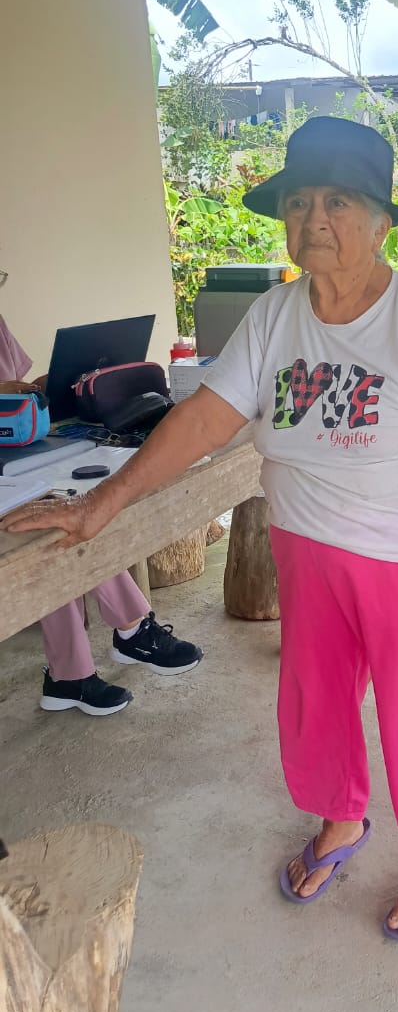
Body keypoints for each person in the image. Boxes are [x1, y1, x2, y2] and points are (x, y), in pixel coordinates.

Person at [3, 117, 398, 940]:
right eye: (299, 202)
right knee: (317, 699)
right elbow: (204, 420)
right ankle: (341, 818)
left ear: (382, 222)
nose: (315, 219)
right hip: (304, 546)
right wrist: (103, 503)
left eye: (338, 202)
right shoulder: (275, 316)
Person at [0, 301, 202, 717]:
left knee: (64, 516)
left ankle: (78, 670)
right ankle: (125, 634)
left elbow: (15, 386)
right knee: (50, 527)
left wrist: (49, 386)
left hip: (14, 454)